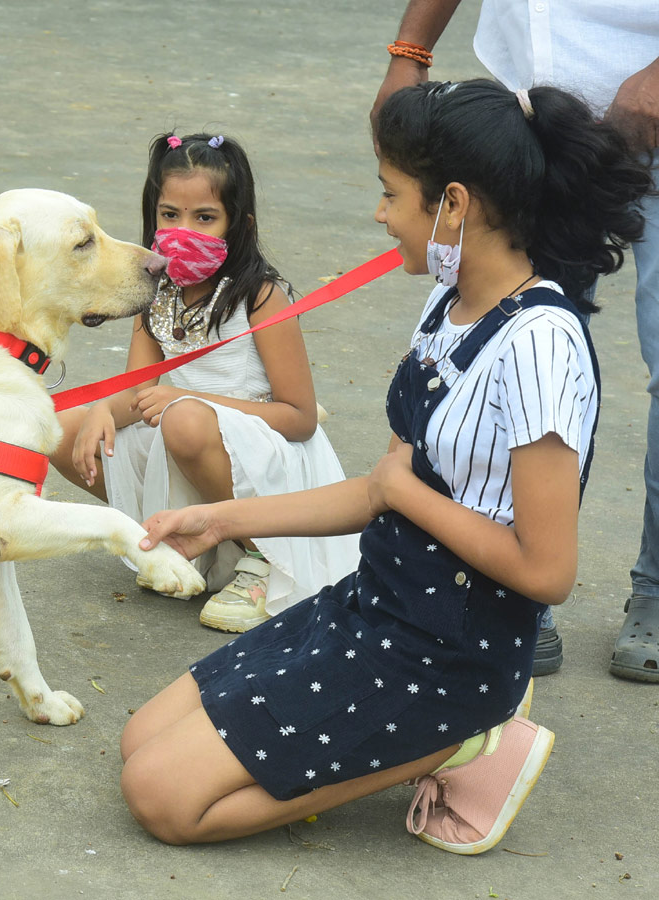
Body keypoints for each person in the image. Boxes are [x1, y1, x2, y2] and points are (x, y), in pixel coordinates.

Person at [118, 80, 651, 852]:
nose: (379, 213)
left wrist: (404, 490)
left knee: (163, 800)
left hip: (449, 651)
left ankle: (471, 740)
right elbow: (376, 494)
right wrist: (220, 519)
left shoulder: (540, 343)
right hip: (378, 604)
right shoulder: (448, 302)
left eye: (391, 193)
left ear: (454, 206)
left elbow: (548, 571)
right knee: (141, 740)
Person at [371, 1, 659, 681]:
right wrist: (409, 49)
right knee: (503, 343)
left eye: (389, 196)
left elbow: (386, 481)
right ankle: (498, 585)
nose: (380, 214)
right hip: (534, 116)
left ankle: (652, 588)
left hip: (647, 92)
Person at [49, 132, 359, 633]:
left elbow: (300, 419)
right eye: (170, 215)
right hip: (187, 438)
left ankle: (262, 559)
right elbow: (137, 390)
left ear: (240, 225)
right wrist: (105, 410)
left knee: (185, 419)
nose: (183, 231)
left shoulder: (261, 297)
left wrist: (187, 399)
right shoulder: (156, 292)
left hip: (267, 460)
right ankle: (176, 538)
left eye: (205, 218)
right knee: (64, 427)